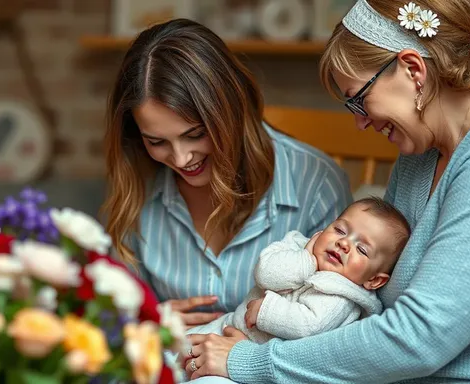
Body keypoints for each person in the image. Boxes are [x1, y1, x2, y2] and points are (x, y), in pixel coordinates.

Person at [184, 0, 470, 382]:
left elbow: (418, 339)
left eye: (359, 99)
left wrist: (254, 362)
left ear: (412, 69)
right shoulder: (422, 151)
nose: (360, 123)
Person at [101, 18, 352, 333]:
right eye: (157, 141)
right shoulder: (137, 186)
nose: (181, 158)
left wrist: (248, 357)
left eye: (195, 134)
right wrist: (145, 324)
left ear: (231, 110)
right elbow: (107, 320)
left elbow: (336, 326)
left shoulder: (316, 184)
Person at [186, 197, 409, 346]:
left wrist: (266, 312)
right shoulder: (297, 245)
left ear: (374, 280)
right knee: (167, 350)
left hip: (254, 358)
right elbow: (264, 273)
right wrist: (306, 260)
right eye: (340, 230)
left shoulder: (343, 299)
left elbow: (309, 325)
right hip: (228, 325)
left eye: (361, 249)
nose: (343, 244)